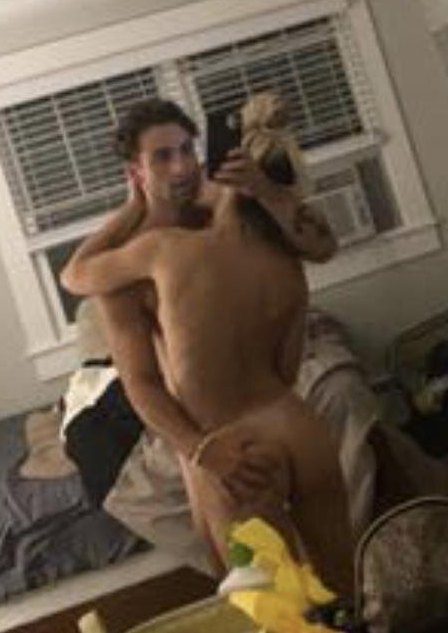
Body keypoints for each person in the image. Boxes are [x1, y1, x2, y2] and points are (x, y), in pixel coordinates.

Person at [60, 96, 355, 595]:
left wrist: (261, 190)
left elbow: (322, 244)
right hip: (243, 438)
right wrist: (199, 450)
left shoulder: (233, 215)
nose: (182, 167)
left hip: (250, 434)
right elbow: (142, 383)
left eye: (186, 150)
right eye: (163, 156)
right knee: (300, 603)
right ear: (136, 172)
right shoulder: (139, 260)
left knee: (306, 603)